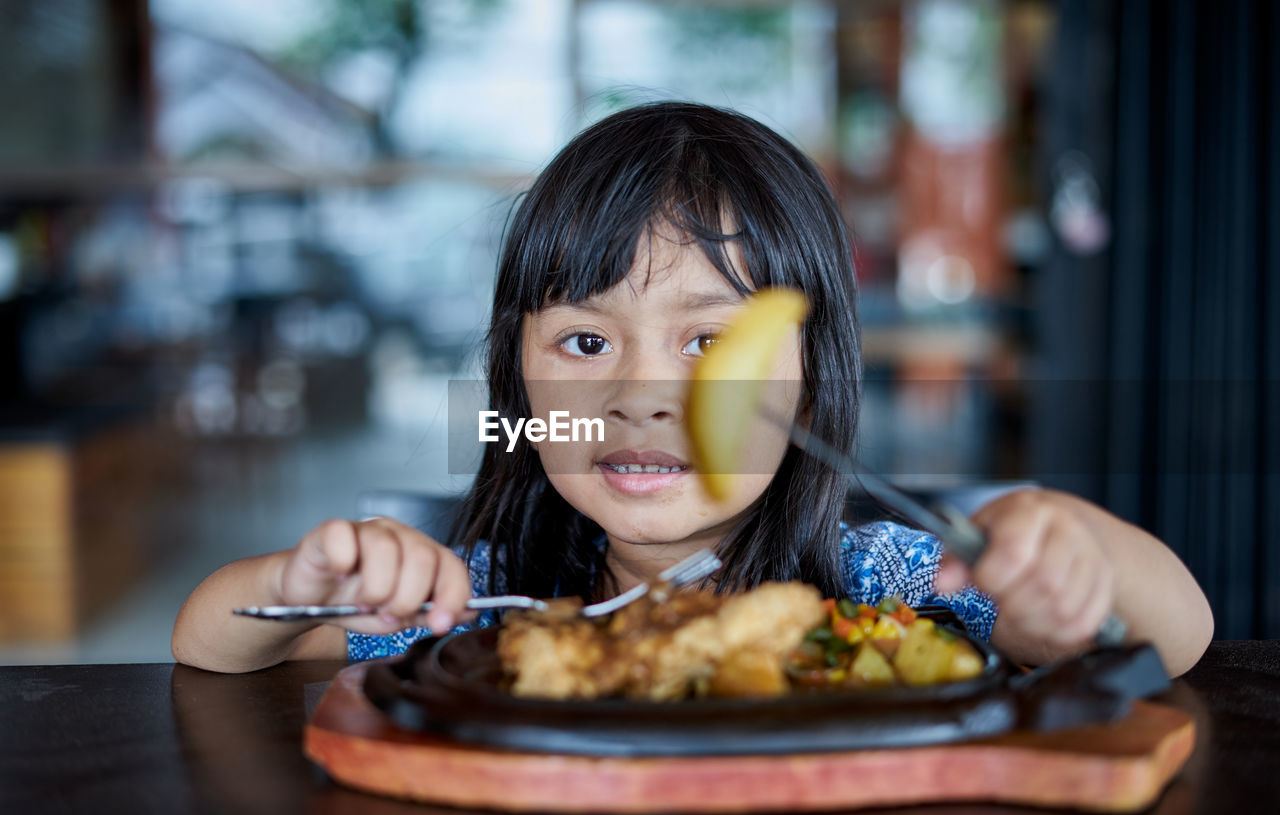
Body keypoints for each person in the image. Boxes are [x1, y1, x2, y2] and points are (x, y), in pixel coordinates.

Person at [172, 102, 1213, 677]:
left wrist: (1062, 550)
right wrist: (312, 579)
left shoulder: (879, 580)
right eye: (584, 341)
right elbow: (212, 642)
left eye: (709, 343)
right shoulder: (478, 598)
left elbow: (1178, 633)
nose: (639, 397)